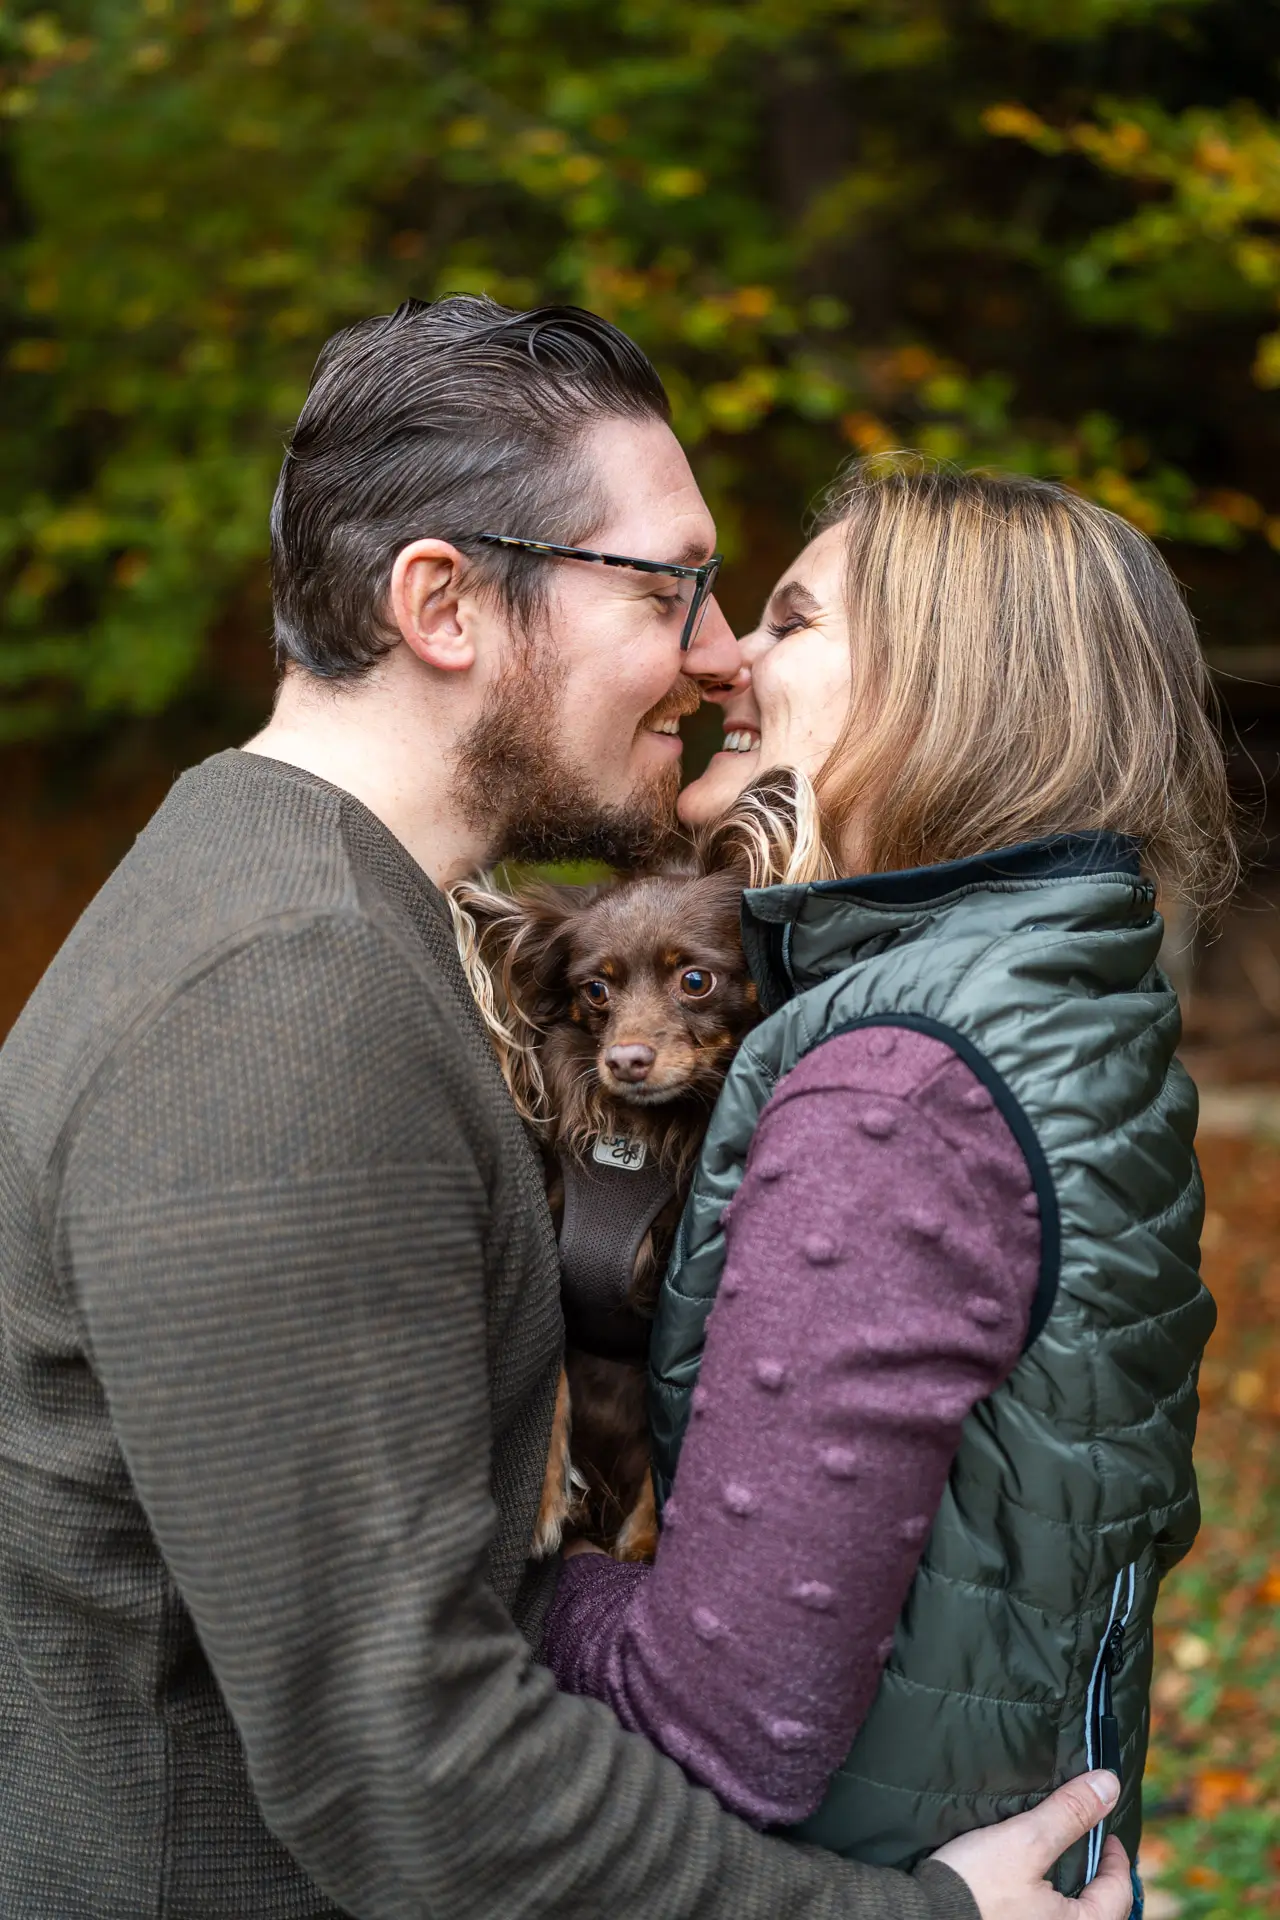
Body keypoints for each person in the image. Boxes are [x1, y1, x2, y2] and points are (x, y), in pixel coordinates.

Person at [0, 300, 1131, 1920]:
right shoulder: (279, 1003)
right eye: (668, 588)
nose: (722, 652)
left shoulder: (338, 922)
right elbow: (406, 1763)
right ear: (445, 604)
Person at [543, 458, 1231, 1907]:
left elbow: (734, 1722)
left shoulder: (896, 1084)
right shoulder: (1063, 996)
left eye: (791, 621)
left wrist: (468, 1569)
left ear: (950, 691)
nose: (722, 655)